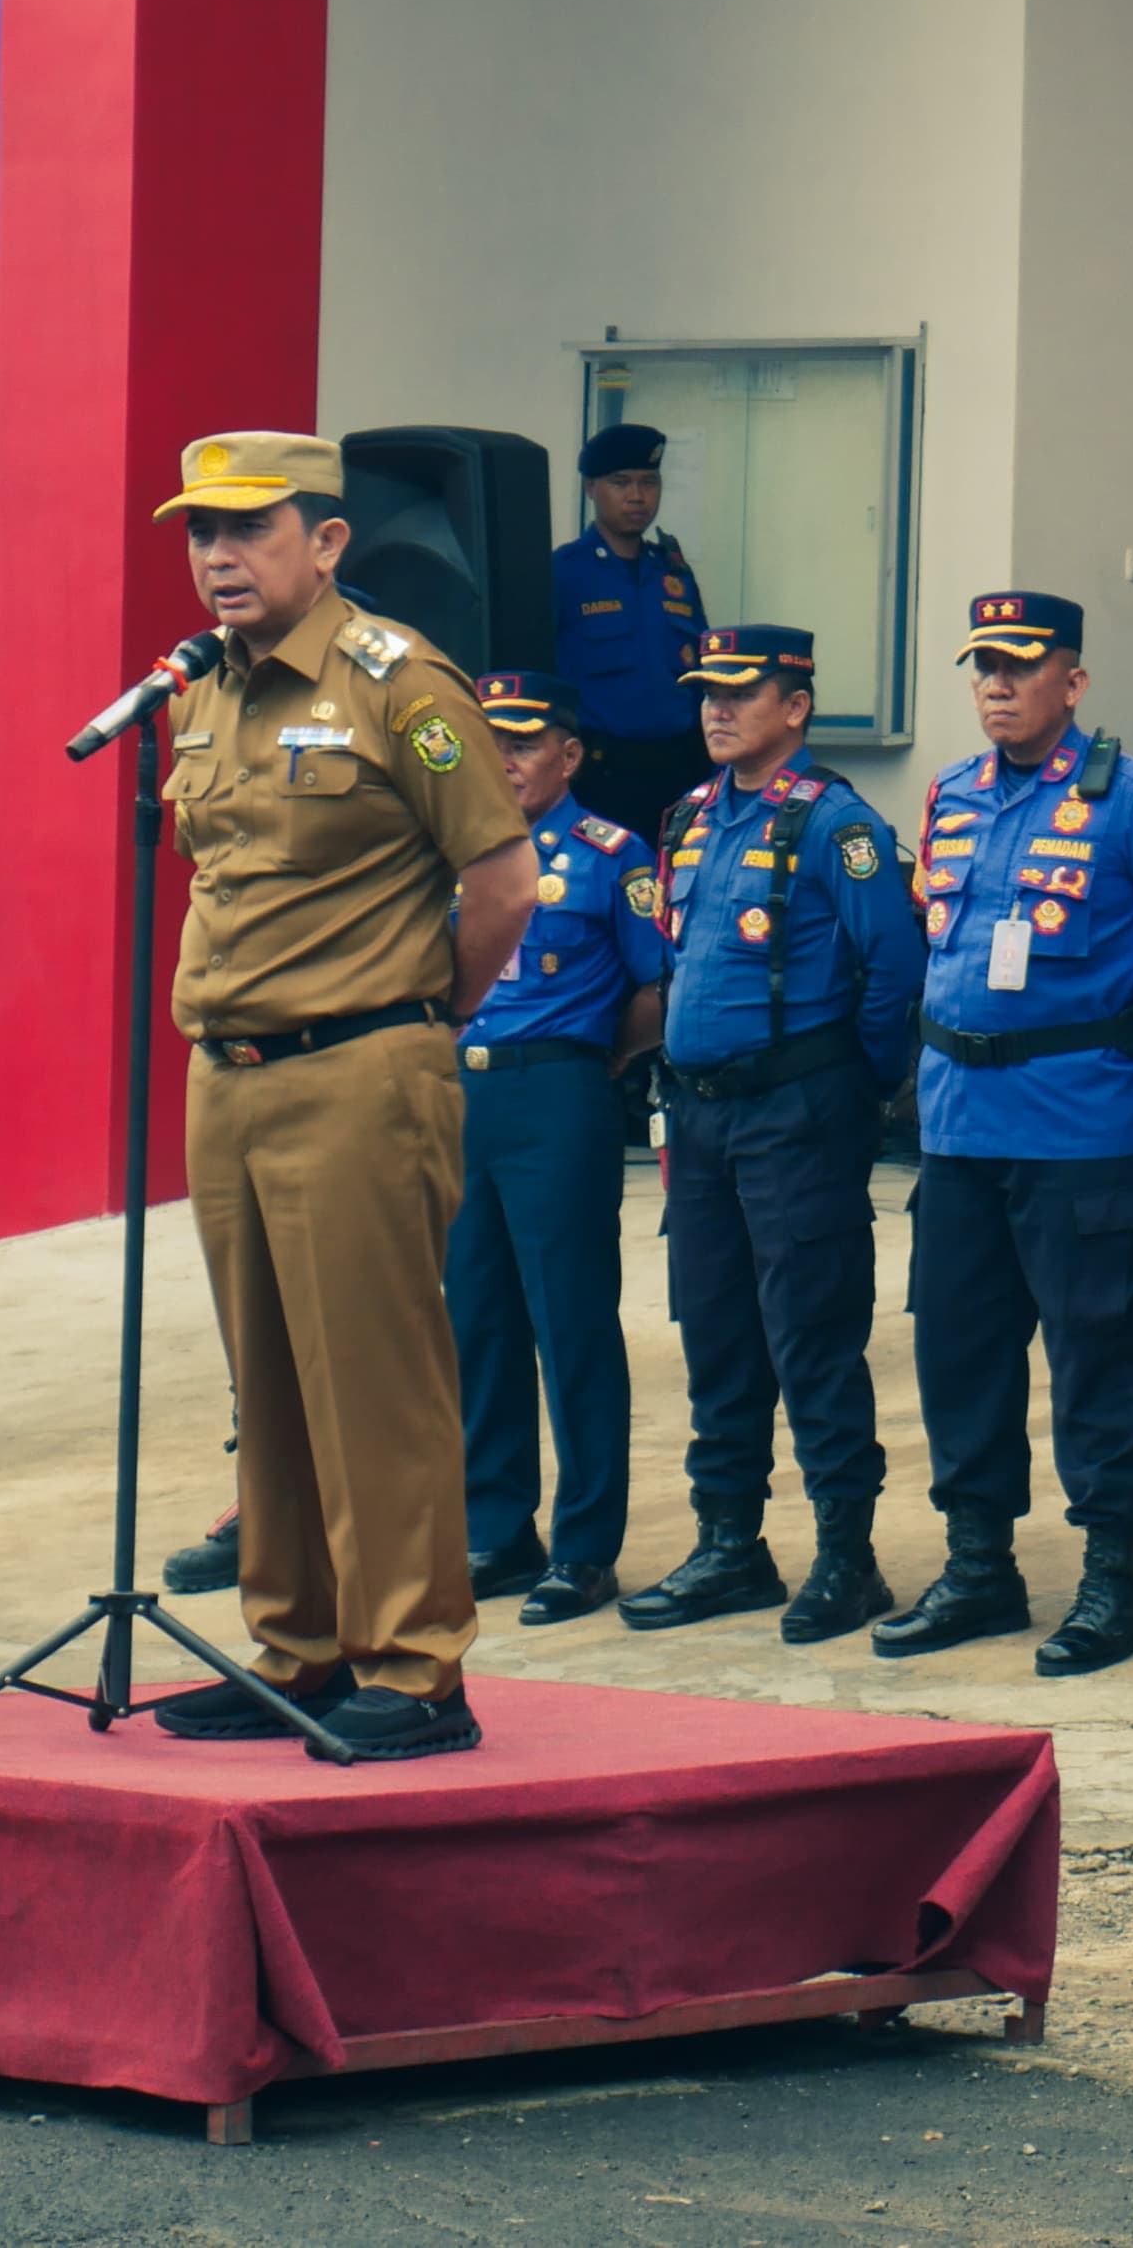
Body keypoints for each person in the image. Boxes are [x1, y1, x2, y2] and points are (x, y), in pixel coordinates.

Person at [143, 430, 534, 1764]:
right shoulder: (199, 691)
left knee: (375, 1379)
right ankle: (294, 1649)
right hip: (229, 1074)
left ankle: (417, 1669)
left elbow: (502, 880)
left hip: (363, 1068)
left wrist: (416, 1018)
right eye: (200, 532)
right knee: (274, 1383)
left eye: (248, 530)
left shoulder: (398, 682)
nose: (216, 557)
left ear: (327, 542)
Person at [881, 591, 1133, 1674]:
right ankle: (978, 1565)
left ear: (1070, 684)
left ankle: (1112, 1582)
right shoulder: (948, 796)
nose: (995, 684)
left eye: (1019, 667)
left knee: (1092, 1358)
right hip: (960, 1129)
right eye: (981, 664)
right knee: (959, 1351)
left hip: (1083, 1126)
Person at [618, 627, 925, 1642]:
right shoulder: (693, 817)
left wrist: (854, 1086)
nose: (715, 709)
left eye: (739, 693)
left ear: (794, 706)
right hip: (700, 1116)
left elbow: (892, 972)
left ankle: (846, 1556)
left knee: (812, 1334)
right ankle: (729, 1546)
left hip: (796, 1110)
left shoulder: (837, 825)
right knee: (714, 1331)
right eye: (706, 691)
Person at [443, 673, 670, 1628]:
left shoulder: (612, 855)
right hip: (461, 1096)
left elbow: (655, 986)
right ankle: (496, 1527)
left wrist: (596, 1059)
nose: (502, 761)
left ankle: (584, 1547)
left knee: (569, 1322)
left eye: (524, 743)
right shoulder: (450, 851)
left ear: (568, 756)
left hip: (559, 1095)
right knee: (477, 1321)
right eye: (489, 741)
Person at [552, 421, 712, 841]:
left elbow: (703, 674)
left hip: (682, 770)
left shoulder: (674, 574)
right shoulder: (563, 573)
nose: (637, 496)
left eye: (649, 482)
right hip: (600, 774)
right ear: (590, 487)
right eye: (620, 483)